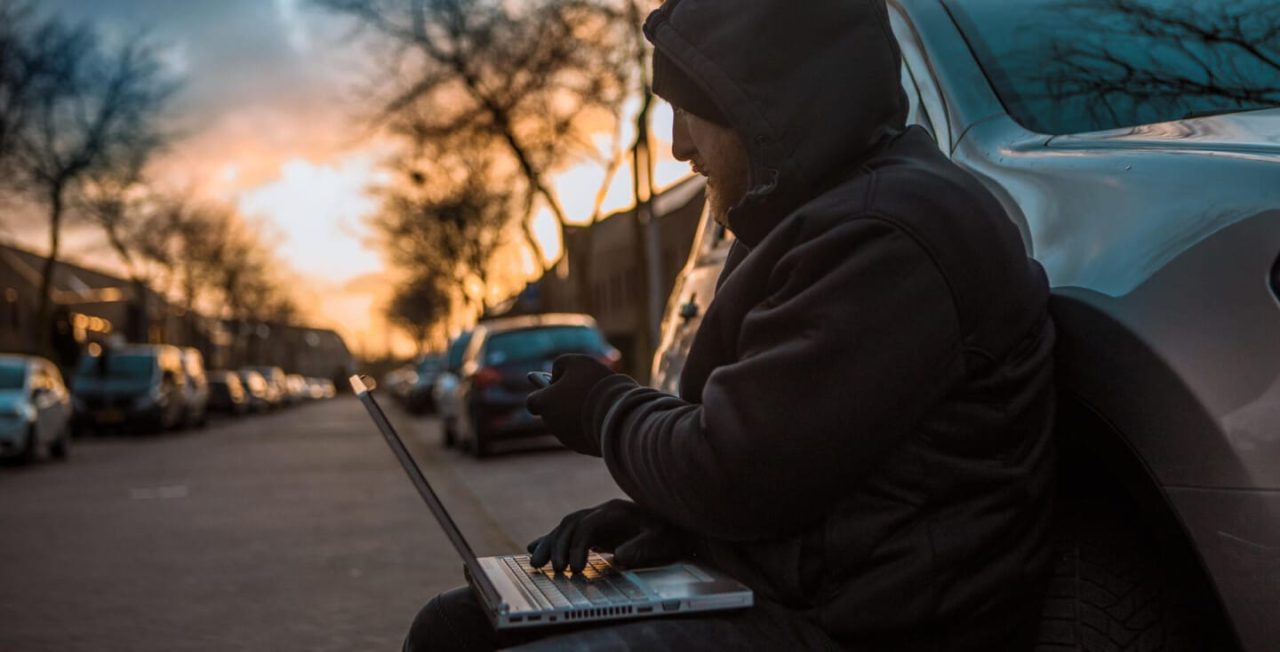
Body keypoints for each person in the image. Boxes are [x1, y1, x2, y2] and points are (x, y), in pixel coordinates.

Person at [404, 0, 1056, 649]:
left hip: (869, 626)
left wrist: (606, 410)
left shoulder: (889, 235)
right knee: (452, 628)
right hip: (785, 589)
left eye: (691, 112)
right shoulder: (814, 219)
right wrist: (666, 529)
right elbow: (805, 472)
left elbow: (736, 473)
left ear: (767, 104)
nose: (678, 146)